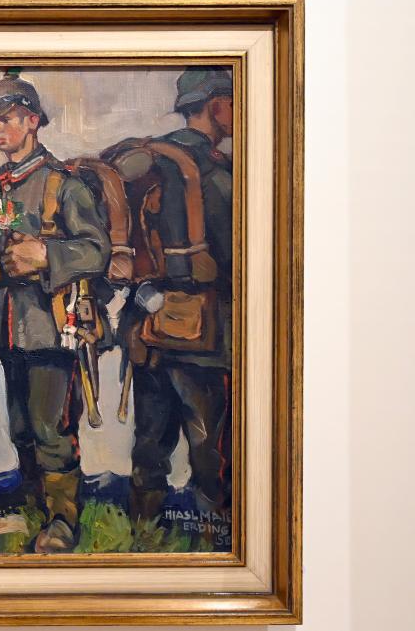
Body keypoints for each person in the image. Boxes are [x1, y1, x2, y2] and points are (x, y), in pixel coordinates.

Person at [0, 70, 111, 552]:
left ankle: (62, 522)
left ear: (33, 120)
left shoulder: (65, 185)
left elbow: (96, 250)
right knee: (20, 425)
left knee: (51, 428)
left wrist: (47, 255)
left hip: (52, 327)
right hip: (6, 327)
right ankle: (36, 503)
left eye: (7, 118)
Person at [123, 67, 235, 529]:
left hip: (146, 325)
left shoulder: (148, 163)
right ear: (216, 105)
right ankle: (219, 535)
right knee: (210, 445)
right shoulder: (220, 175)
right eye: (232, 102)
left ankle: (143, 530)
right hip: (205, 331)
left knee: (150, 439)